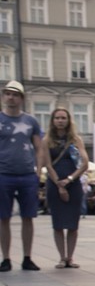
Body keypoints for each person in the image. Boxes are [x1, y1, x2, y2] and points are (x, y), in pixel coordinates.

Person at [0, 80, 44, 272]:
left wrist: (38, 170)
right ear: (3, 97)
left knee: (28, 217)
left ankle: (27, 257)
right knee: (3, 218)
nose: (11, 97)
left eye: (15, 94)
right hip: (3, 174)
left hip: (27, 174)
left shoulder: (31, 121)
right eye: (8, 93)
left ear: (21, 98)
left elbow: (39, 148)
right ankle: (6, 258)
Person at [41, 108, 89, 269]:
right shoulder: (46, 140)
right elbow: (47, 164)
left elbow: (84, 163)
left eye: (63, 118)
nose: (60, 121)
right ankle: (62, 257)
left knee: (73, 223)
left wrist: (69, 179)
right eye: (57, 118)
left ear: (68, 120)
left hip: (73, 184)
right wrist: (58, 183)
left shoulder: (76, 140)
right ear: (52, 121)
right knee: (58, 223)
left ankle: (70, 257)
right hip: (54, 184)